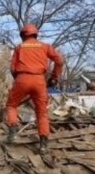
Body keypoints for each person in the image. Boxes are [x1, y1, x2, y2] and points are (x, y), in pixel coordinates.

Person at [5, 24, 63, 155]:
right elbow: (59, 61)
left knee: (11, 105)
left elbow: (12, 69)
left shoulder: (19, 47)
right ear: (35, 34)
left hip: (22, 78)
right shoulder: (45, 46)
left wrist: (19, 80)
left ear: (23, 35)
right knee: (42, 113)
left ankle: (13, 131)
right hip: (39, 80)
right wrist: (54, 77)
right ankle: (43, 145)